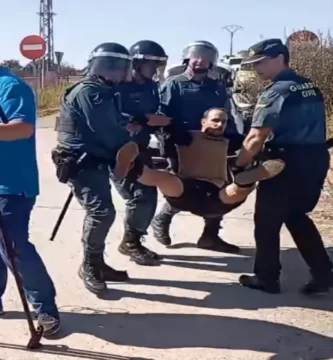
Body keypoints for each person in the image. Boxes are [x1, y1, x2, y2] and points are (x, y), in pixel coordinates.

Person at [234, 38, 333, 295]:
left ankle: (266, 278)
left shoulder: (277, 91)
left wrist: (239, 166)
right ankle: (323, 274)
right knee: (297, 216)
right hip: (316, 159)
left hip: (284, 164)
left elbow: (256, 136)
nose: (257, 68)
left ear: (279, 57)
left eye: (260, 62)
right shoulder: (310, 85)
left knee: (266, 222)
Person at [53, 43, 136, 294]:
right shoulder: (90, 92)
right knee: (101, 213)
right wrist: (130, 147)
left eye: (121, 67)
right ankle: (89, 266)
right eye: (113, 67)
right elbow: (107, 130)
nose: (118, 72)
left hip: (95, 159)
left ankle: (98, 263)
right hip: (81, 162)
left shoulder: (105, 90)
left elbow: (113, 122)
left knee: (104, 212)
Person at [152, 40, 244, 253]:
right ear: (187, 59)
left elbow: (226, 115)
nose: (200, 60)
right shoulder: (174, 84)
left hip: (213, 145)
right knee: (182, 188)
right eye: (196, 56)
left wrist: (233, 137)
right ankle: (163, 218)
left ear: (212, 62)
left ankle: (210, 236)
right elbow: (160, 115)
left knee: (218, 188)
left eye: (205, 57)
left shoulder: (216, 89)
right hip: (181, 144)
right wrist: (170, 133)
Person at [122, 107, 284, 221]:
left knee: (237, 191)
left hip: (216, 194)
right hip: (185, 190)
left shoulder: (231, 141)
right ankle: (133, 168)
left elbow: (252, 144)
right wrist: (138, 120)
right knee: (167, 179)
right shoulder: (185, 136)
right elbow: (162, 121)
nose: (219, 125)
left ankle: (246, 181)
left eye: (223, 122)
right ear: (203, 121)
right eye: (215, 120)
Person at [0, 67, 60, 336]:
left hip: (11, 185)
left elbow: (22, 129)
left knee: (13, 247)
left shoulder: (11, 87)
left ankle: (45, 308)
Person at [111, 40, 168, 266]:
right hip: (119, 151)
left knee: (148, 195)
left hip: (142, 148)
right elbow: (110, 116)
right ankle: (130, 243)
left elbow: (153, 115)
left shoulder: (151, 87)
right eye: (152, 64)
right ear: (138, 62)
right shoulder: (118, 85)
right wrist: (136, 119)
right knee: (139, 196)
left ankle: (134, 239)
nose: (156, 69)